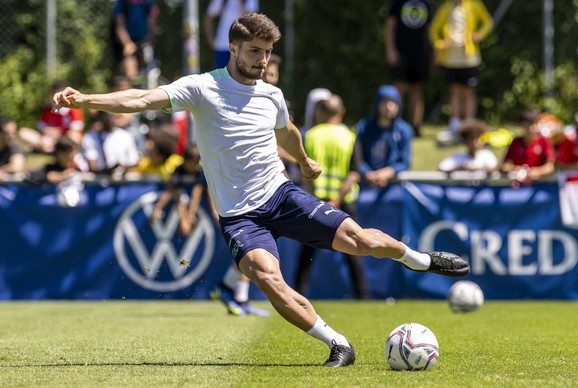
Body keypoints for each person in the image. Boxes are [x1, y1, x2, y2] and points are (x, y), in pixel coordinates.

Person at [53, 12, 469, 368]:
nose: (262, 60)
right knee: (267, 277)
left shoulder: (272, 94)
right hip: (239, 216)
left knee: (358, 239)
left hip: (281, 195)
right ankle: (338, 344)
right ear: (233, 49)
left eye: (267, 52)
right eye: (255, 51)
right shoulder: (202, 87)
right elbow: (142, 98)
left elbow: (286, 131)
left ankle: (419, 259)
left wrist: (304, 161)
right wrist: (86, 99)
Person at [294, 94, 371, 300]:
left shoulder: (310, 135)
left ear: (320, 112)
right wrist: (337, 199)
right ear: (341, 112)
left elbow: (305, 173)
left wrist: (315, 199)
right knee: (354, 248)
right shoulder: (349, 136)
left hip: (315, 201)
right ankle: (362, 295)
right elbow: (354, 172)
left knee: (307, 252)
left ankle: (297, 295)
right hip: (343, 202)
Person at [429, 0, 492, 146]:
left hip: (469, 57)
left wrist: (479, 35)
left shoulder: (474, 5)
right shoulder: (446, 7)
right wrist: (440, 43)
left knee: (469, 91)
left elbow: (487, 22)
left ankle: (469, 124)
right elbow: (434, 29)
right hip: (450, 57)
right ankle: (455, 126)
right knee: (455, 91)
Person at [385, 0, 435, 137]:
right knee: (398, 89)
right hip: (400, 51)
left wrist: (434, 50)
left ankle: (415, 126)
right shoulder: (399, 1)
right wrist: (390, 49)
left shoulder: (428, 2)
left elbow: (431, 28)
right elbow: (390, 25)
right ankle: (394, 124)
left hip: (421, 53)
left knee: (417, 89)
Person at [356, 85, 413, 188]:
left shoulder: (404, 130)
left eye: (393, 102)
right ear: (377, 104)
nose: (389, 107)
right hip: (366, 182)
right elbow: (357, 159)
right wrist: (368, 174)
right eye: (385, 102)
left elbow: (404, 162)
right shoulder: (363, 128)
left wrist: (387, 172)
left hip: (393, 183)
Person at [19, 80, 85, 154]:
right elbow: (42, 129)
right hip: (50, 139)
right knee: (23, 132)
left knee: (74, 137)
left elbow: (76, 132)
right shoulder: (47, 110)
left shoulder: (74, 110)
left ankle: (50, 149)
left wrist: (58, 132)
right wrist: (51, 132)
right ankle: (52, 149)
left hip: (66, 139)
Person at [500, 109, 555, 185]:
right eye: (527, 124)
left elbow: (550, 166)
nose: (531, 128)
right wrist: (516, 169)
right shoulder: (516, 142)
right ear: (521, 125)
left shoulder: (544, 142)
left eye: (533, 123)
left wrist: (537, 171)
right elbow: (505, 166)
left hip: (540, 187)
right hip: (518, 187)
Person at [81, 111, 140, 175]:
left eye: (112, 114)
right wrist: (107, 171)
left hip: (123, 181)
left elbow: (133, 161)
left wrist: (122, 168)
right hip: (100, 181)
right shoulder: (90, 137)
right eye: (107, 115)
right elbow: (92, 164)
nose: (110, 118)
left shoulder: (126, 136)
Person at [111, 0, 158, 80]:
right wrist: (127, 44)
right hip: (127, 43)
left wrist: (150, 40)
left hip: (144, 42)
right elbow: (119, 26)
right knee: (131, 75)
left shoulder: (147, 3)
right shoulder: (122, 3)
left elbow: (151, 22)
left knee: (150, 73)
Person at [204, 0, 259, 68]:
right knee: (221, 77)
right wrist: (211, 39)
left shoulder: (249, 1)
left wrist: (241, 2)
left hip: (242, 46)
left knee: (241, 76)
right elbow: (209, 18)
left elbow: (251, 20)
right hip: (222, 47)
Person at [0, 117, 26, 181]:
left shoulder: (14, 146)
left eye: (13, 132)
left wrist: (2, 170)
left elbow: (16, 166)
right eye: (7, 133)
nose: (11, 136)